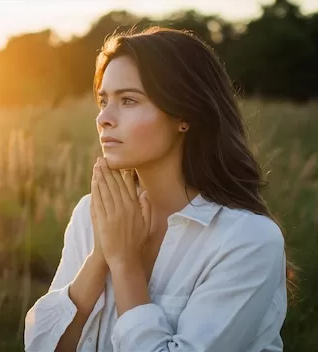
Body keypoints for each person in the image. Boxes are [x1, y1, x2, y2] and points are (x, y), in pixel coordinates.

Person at [24, 26, 289, 352]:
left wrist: (125, 263)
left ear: (184, 114)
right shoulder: (91, 214)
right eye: (103, 100)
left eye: (129, 100)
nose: (104, 118)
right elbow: (42, 346)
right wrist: (100, 257)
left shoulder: (247, 240)